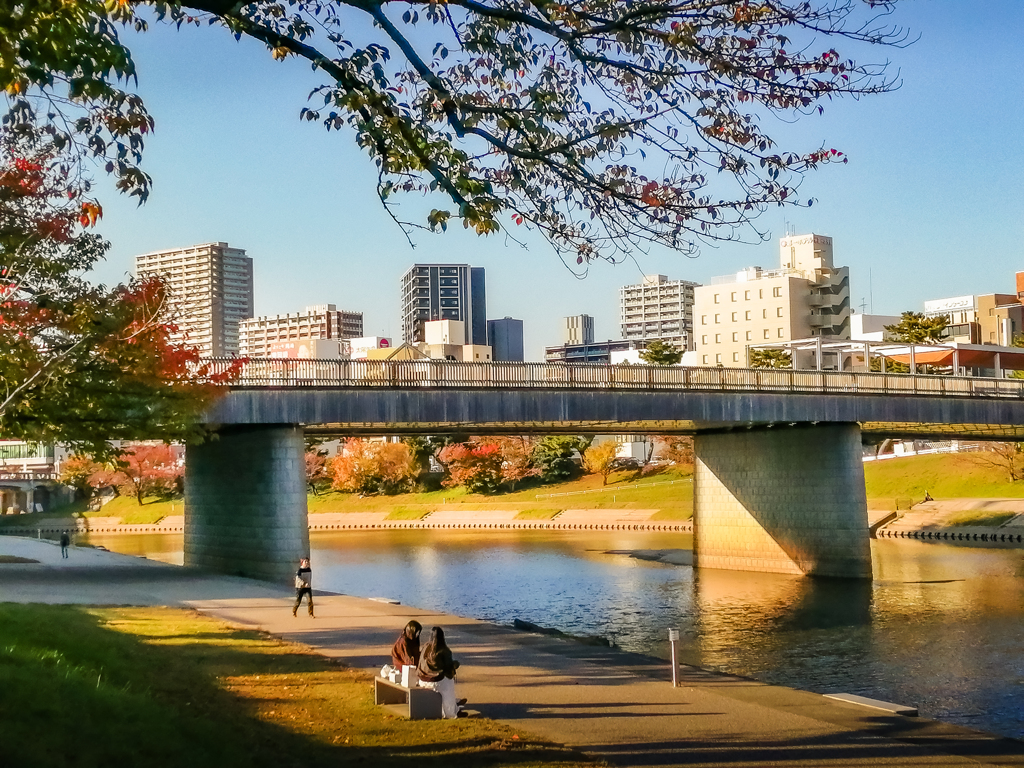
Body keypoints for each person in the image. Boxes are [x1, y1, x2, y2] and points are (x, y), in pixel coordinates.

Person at [416, 626, 464, 718]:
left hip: (422, 679)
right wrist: (456, 664)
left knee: (445, 682)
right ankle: (450, 712)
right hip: (435, 681)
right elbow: (448, 667)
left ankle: (454, 707)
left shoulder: (425, 647)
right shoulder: (444, 651)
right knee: (449, 684)